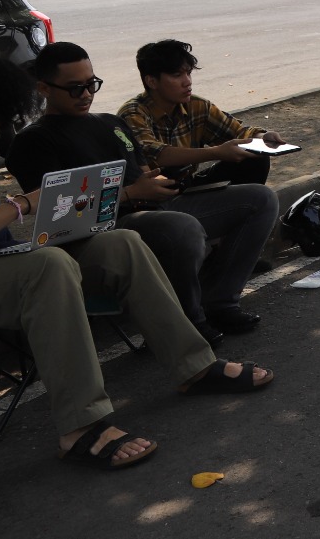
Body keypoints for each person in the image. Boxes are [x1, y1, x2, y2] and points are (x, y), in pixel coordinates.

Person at [0, 50, 275, 471]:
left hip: (1, 266)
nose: (3, 126)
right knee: (50, 266)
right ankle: (81, 427)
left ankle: (195, 366)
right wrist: (21, 204)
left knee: (121, 242)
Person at [8, 41, 225, 346]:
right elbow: (59, 215)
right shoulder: (34, 142)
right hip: (99, 235)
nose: (85, 95)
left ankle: (221, 302)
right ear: (44, 88)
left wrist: (156, 181)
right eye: (74, 88)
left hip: (152, 210)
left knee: (256, 199)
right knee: (180, 227)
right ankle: (188, 327)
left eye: (91, 85)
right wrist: (130, 193)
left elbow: (140, 171)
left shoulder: (111, 123)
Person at [117, 40, 280, 336]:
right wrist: (216, 152)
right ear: (151, 81)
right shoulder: (131, 114)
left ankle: (221, 302)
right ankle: (188, 321)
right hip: (149, 206)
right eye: (177, 75)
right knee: (185, 227)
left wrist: (263, 136)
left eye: (189, 73)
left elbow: (239, 131)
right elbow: (155, 153)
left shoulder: (196, 106)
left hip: (186, 192)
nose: (187, 81)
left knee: (262, 194)